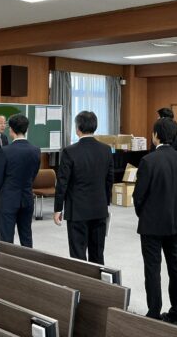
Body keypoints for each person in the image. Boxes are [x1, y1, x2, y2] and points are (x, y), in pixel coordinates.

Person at [133, 117, 177, 325]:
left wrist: (143, 214)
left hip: (151, 224)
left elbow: (138, 196)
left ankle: (154, 312)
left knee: (152, 268)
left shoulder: (148, 161)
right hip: (173, 222)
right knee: (175, 266)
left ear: (156, 135)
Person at [53, 111, 114, 264]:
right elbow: (109, 180)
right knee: (97, 254)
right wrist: (105, 202)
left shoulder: (69, 151)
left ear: (78, 128)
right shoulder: (106, 150)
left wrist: (58, 208)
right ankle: (97, 279)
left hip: (77, 210)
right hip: (99, 209)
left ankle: (81, 280)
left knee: (78, 255)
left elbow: (62, 183)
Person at [0, 114, 41, 247]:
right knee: (26, 235)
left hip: (9, 198)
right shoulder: (36, 150)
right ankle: (28, 259)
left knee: (7, 237)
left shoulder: (5, 151)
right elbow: (34, 174)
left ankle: (8, 260)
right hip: (27, 197)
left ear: (11, 130)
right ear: (27, 129)